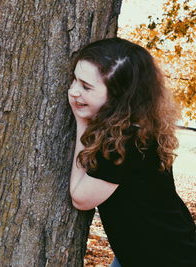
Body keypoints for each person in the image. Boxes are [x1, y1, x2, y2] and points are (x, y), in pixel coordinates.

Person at [68, 38, 196, 267]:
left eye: (86, 87)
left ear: (119, 95)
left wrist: (81, 123)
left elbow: (81, 198)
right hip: (150, 249)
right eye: (75, 79)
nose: (73, 91)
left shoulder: (124, 141)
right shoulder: (141, 127)